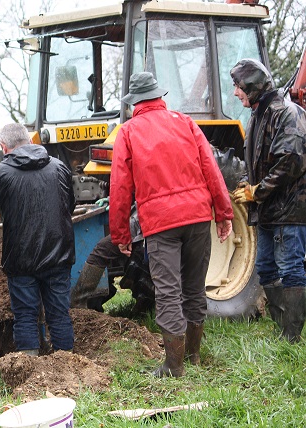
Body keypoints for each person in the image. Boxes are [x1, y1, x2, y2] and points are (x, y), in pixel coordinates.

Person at [110, 72, 233, 377]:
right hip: (198, 218)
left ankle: (173, 366)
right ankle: (193, 357)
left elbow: (120, 187)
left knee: (168, 293)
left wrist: (121, 234)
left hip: (161, 223)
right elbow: (211, 168)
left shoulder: (127, 132)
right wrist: (224, 213)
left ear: (134, 103)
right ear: (159, 97)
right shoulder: (185, 122)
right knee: (194, 288)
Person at [0, 123, 76, 356]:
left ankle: (28, 368)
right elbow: (69, 206)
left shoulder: (1, 173)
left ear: (4, 147)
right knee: (59, 313)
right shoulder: (59, 167)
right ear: (30, 141)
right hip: (58, 255)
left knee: (25, 314)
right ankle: (67, 364)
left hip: (22, 260)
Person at [230, 59, 306, 343]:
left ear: (252, 85)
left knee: (290, 268)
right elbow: (259, 162)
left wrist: (257, 191)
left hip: (290, 209)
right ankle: (281, 325)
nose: (236, 93)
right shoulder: (257, 116)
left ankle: (292, 336)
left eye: (238, 86)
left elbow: (291, 162)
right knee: (265, 268)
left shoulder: (287, 113)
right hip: (268, 210)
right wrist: (246, 184)